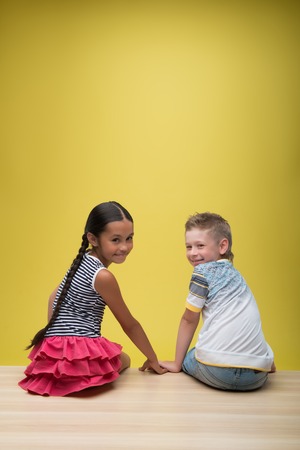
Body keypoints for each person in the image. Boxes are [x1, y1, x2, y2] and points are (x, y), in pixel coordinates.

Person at [19, 201, 166, 396]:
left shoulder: (81, 261)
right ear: (93, 239)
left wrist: (56, 343)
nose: (124, 246)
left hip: (53, 351)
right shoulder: (103, 276)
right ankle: (81, 377)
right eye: (115, 240)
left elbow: (53, 296)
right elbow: (129, 324)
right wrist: (153, 359)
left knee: (111, 357)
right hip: (80, 352)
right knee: (126, 360)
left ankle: (66, 374)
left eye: (129, 238)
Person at [160, 212, 275, 391]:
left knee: (193, 354)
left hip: (218, 374)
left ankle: (191, 362)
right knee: (248, 328)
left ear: (222, 246)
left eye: (200, 246)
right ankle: (266, 361)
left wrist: (177, 363)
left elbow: (189, 319)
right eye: (188, 247)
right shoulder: (237, 278)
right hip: (256, 378)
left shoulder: (201, 273)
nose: (193, 253)